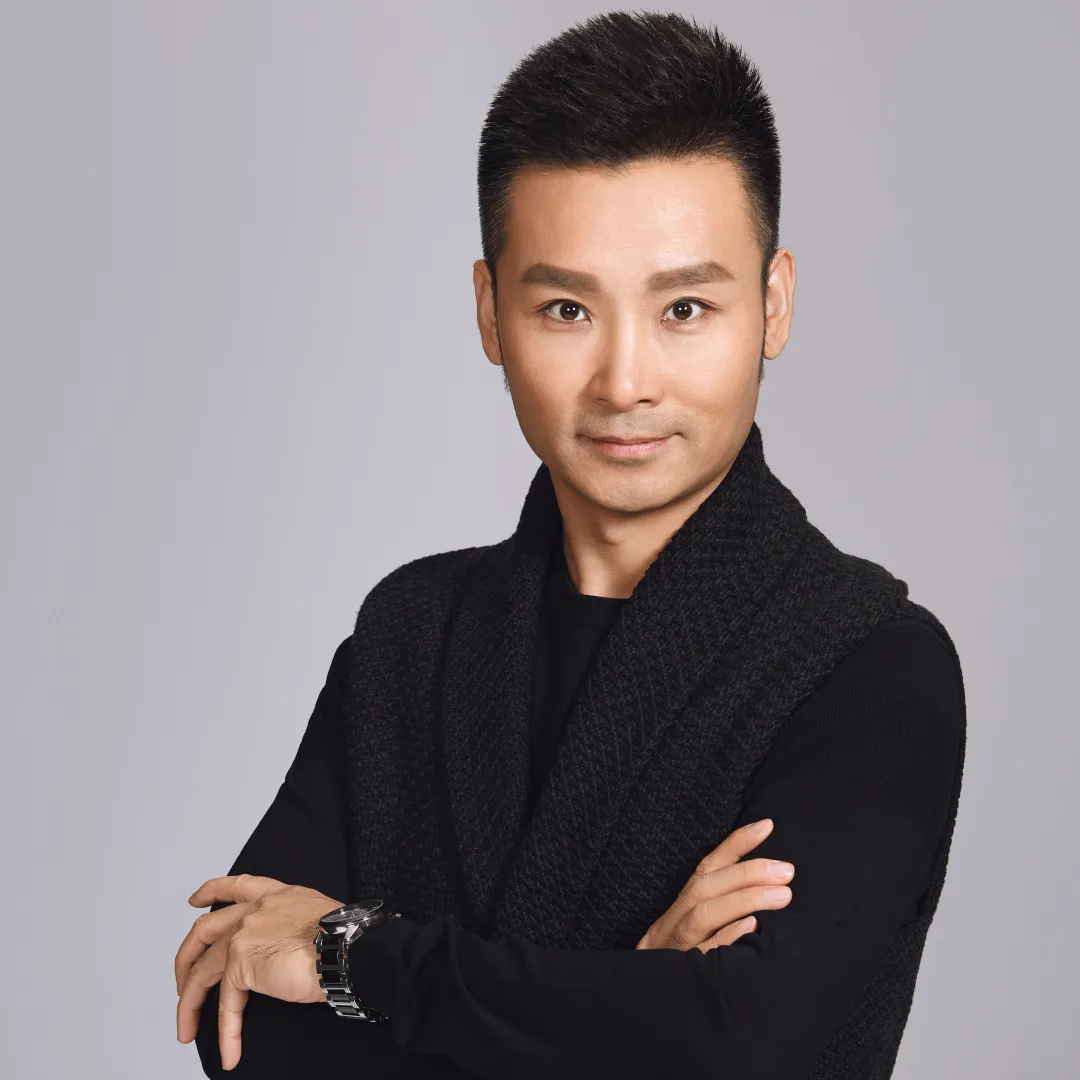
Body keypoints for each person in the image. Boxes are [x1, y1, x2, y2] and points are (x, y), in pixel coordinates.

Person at [174, 11, 966, 1079]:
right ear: (490, 313)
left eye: (685, 307)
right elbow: (245, 1029)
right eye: (564, 309)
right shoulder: (412, 634)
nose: (625, 381)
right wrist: (627, 994)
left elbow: (736, 1043)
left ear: (774, 304)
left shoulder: (868, 665)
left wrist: (350, 955)